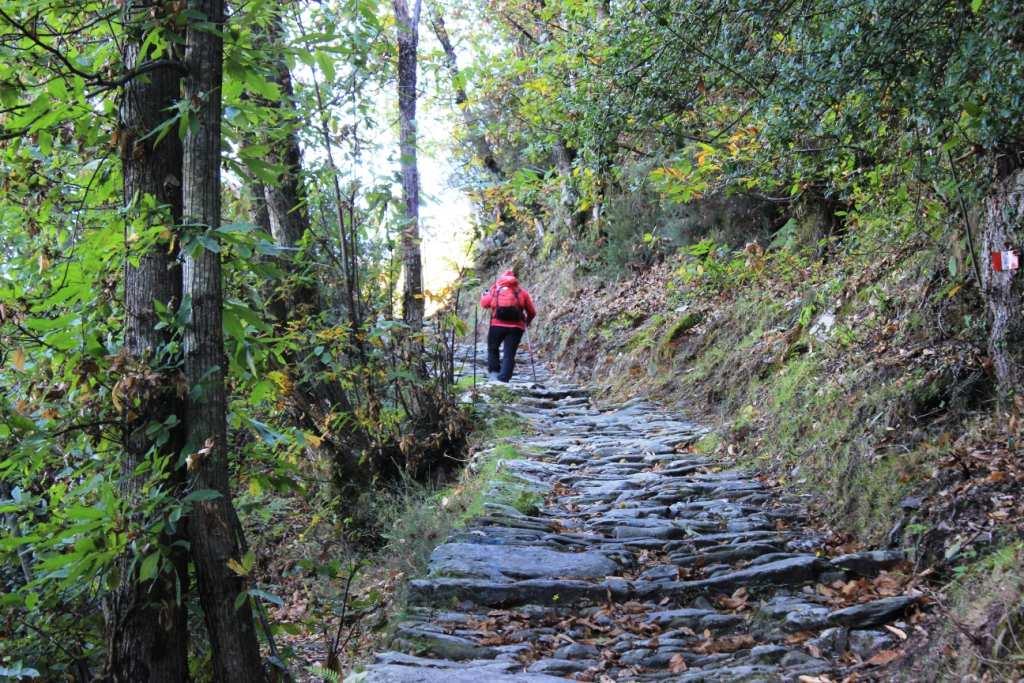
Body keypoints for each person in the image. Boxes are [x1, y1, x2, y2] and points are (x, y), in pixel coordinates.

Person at [480, 269, 537, 382]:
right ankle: (504, 378)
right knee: (509, 354)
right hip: (516, 328)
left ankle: (494, 373)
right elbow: (532, 312)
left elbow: (484, 304)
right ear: (515, 280)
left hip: (497, 325)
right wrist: (527, 322)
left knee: (493, 349)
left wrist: (484, 296)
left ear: (501, 279)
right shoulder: (522, 292)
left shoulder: (495, 290)